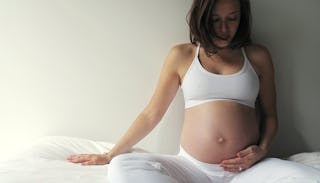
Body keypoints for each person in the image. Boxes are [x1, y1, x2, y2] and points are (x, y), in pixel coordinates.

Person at [67, 0, 320, 182]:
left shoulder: (258, 56)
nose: (224, 28)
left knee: (307, 177)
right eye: (215, 20)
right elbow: (151, 114)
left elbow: (271, 115)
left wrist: (262, 149)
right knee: (124, 166)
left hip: (247, 171)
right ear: (202, 17)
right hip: (191, 169)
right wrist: (110, 154)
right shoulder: (182, 55)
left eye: (232, 18)